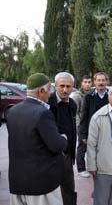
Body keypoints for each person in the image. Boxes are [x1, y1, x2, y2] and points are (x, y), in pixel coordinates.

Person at [7, 73, 68, 205]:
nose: (50, 94)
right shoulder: (42, 113)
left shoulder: (12, 111)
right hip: (41, 185)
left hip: (17, 182)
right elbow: (57, 146)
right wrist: (64, 138)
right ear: (41, 91)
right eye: (49, 90)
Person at [48, 72, 77, 205]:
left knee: (69, 189)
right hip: (51, 155)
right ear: (55, 86)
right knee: (51, 191)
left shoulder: (72, 104)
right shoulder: (48, 102)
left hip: (67, 155)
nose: (65, 90)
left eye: (68, 86)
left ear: (73, 87)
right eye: (62, 86)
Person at [78, 72, 109, 177]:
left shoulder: (110, 95)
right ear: (94, 82)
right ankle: (85, 169)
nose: (101, 82)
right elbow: (84, 117)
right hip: (92, 129)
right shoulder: (88, 97)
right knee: (88, 150)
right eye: (98, 80)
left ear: (106, 82)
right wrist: (83, 134)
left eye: (103, 80)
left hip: (106, 129)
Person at [70, 75, 92, 178]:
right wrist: (79, 126)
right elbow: (74, 113)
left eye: (89, 82)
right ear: (81, 83)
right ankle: (81, 168)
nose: (87, 84)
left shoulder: (93, 94)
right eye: (85, 82)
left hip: (92, 125)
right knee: (82, 147)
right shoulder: (77, 96)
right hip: (82, 126)